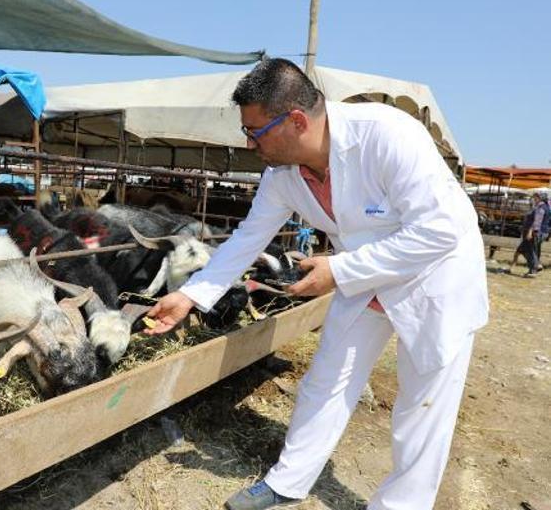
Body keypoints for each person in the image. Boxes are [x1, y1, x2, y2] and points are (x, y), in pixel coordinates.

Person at [144, 58, 489, 510]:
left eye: (254, 131)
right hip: (365, 278)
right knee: (325, 380)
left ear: (297, 121)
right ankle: (288, 481)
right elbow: (249, 236)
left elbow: (440, 231)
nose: (249, 143)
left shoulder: (386, 134)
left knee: (422, 406)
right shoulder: (283, 175)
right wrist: (191, 294)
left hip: (435, 277)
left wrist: (339, 271)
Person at [509, 192, 545, 277]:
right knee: (521, 251)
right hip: (527, 232)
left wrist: (530, 232)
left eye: (535, 197)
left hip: (531, 233)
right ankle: (535, 266)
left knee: (527, 251)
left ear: (539, 198)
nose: (533, 199)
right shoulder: (534, 207)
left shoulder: (539, 208)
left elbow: (536, 222)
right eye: (533, 197)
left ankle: (534, 268)